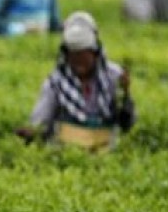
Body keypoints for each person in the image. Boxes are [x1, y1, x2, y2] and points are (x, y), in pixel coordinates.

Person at [16, 11, 135, 151]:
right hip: (67, 151)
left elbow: (127, 124)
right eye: (74, 56)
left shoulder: (114, 76)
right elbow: (41, 121)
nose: (79, 62)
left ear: (95, 53)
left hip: (107, 150)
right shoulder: (55, 83)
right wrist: (33, 133)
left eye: (84, 56)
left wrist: (126, 97)